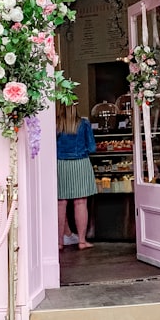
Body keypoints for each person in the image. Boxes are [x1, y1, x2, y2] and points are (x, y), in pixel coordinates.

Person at [56, 101, 97, 250]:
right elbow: (92, 147)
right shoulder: (84, 124)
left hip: (60, 164)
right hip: (80, 163)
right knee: (80, 203)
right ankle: (81, 241)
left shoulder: (56, 124)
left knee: (60, 204)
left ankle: (59, 242)